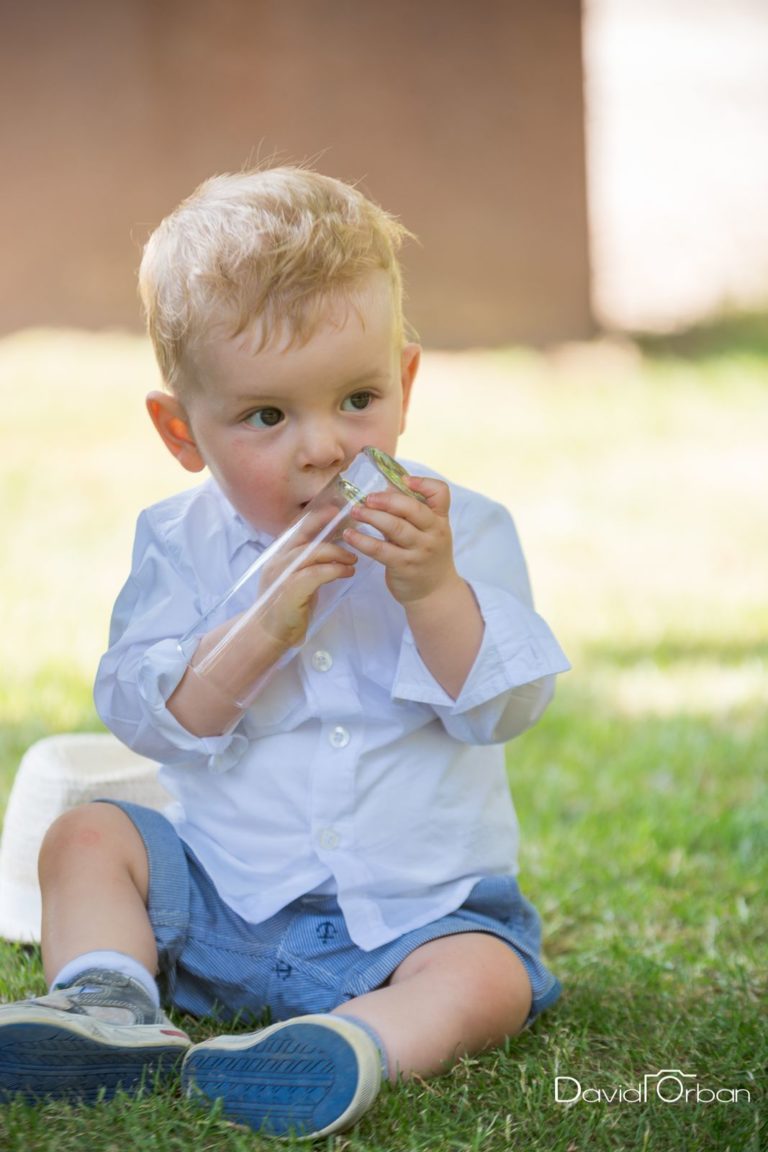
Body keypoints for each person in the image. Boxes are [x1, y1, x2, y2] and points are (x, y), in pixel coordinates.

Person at [0, 167, 569, 1138]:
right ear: (183, 432)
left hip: (410, 918)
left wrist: (431, 591)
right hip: (223, 906)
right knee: (86, 837)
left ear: (408, 382)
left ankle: (357, 1041)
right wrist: (261, 628)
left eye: (358, 399)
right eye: (268, 416)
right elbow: (149, 720)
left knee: (486, 974)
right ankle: (108, 999)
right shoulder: (178, 545)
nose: (323, 449)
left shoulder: (459, 529)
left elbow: (502, 707)